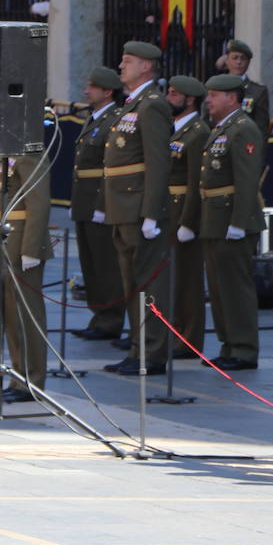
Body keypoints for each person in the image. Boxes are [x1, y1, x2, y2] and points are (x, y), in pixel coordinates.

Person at [178, 74, 266, 371]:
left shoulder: (243, 129)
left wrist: (239, 222)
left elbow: (246, 179)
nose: (208, 100)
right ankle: (229, 344)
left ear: (231, 98)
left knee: (235, 288)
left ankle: (243, 349)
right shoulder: (222, 129)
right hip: (214, 220)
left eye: (214, 95)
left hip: (232, 220)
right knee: (218, 289)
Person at [102, 41, 171, 375]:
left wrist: (151, 212)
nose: (120, 66)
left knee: (148, 284)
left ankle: (153, 352)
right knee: (131, 284)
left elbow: (158, 162)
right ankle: (137, 348)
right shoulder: (131, 104)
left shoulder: (152, 105)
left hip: (138, 208)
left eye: (127, 61)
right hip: (122, 207)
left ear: (146, 67)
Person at [0, 153, 52, 401]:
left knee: (26, 314)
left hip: (21, 239)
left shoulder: (29, 153)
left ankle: (31, 381)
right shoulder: (6, 150)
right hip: (4, 236)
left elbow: (38, 202)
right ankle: (18, 375)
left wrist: (31, 248)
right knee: (12, 317)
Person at [69, 66, 125, 341]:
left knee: (106, 265)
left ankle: (111, 317)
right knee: (90, 263)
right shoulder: (95, 118)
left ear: (107, 91)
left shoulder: (114, 120)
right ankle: (99, 314)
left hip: (99, 204)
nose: (86, 90)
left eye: (92, 86)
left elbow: (109, 168)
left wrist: (103, 205)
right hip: (85, 201)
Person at [161, 75, 209, 355]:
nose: (169, 97)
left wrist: (189, 221)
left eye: (174, 93)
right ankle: (175, 334)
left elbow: (195, 182)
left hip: (182, 212)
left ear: (189, 100)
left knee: (188, 281)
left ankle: (189, 340)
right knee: (173, 279)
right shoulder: (175, 129)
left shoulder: (197, 131)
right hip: (170, 208)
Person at [224, 39, 269, 148]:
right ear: (227, 60)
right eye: (235, 58)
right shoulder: (216, 88)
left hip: (244, 147)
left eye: (243, 58)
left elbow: (261, 129)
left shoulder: (258, 91)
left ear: (248, 62)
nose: (238, 62)